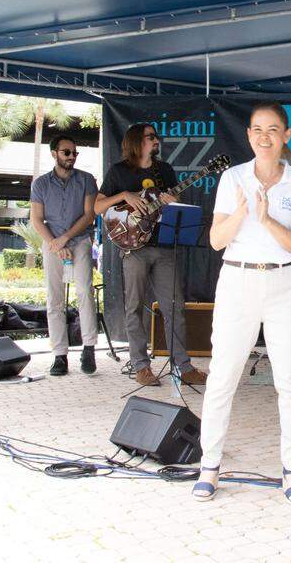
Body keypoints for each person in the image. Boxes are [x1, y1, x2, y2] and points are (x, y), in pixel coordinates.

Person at [193, 103, 291, 505]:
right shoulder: (232, 178)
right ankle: (208, 466)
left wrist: (265, 219)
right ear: (248, 135)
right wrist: (242, 212)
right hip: (237, 280)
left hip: (284, 283)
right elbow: (215, 240)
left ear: (286, 136)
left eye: (273, 129)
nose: (265, 136)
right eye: (258, 129)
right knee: (222, 376)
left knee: (290, 381)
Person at [94, 123, 208, 387]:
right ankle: (141, 366)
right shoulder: (119, 172)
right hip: (134, 249)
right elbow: (97, 207)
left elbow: (170, 206)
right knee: (134, 307)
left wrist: (171, 202)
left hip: (164, 246)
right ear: (137, 141)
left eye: (156, 136)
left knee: (174, 307)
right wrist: (124, 195)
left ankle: (184, 365)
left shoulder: (164, 170)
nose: (156, 140)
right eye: (150, 137)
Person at [29, 135, 98, 376]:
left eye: (74, 153)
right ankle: (59, 355)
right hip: (52, 243)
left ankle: (89, 348)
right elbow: (36, 219)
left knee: (84, 292)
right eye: (66, 152)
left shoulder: (87, 180)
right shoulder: (40, 184)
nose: (71, 156)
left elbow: (90, 215)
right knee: (54, 298)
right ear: (54, 154)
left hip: (78, 241)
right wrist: (55, 244)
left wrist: (65, 238)